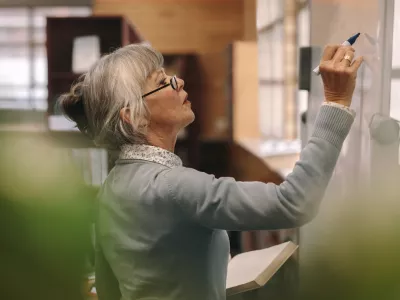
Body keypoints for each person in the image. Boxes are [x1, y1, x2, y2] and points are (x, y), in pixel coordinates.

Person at [59, 43, 363, 300]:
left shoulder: (112, 186)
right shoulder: (174, 186)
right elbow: (293, 202)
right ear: (133, 117)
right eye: (162, 81)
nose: (178, 82)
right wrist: (335, 104)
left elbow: (111, 289)